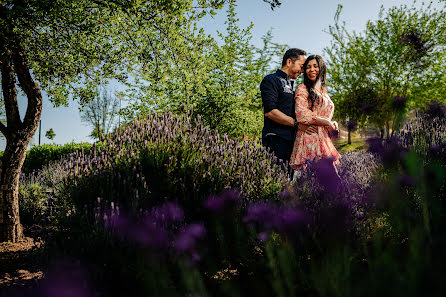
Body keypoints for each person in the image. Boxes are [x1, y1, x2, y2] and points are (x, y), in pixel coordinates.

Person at [260, 48, 317, 171]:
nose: (302, 71)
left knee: (288, 182)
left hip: (291, 142)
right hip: (275, 139)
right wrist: (296, 124)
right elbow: (270, 112)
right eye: (301, 66)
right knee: (276, 181)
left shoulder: (292, 86)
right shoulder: (271, 80)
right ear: (289, 62)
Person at [289, 54, 341, 172]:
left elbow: (323, 115)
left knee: (327, 183)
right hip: (310, 138)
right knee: (330, 180)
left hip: (322, 138)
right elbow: (301, 114)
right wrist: (325, 122)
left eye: (315, 66)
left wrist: (332, 123)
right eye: (308, 67)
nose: (311, 70)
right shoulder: (302, 88)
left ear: (321, 68)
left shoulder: (323, 91)